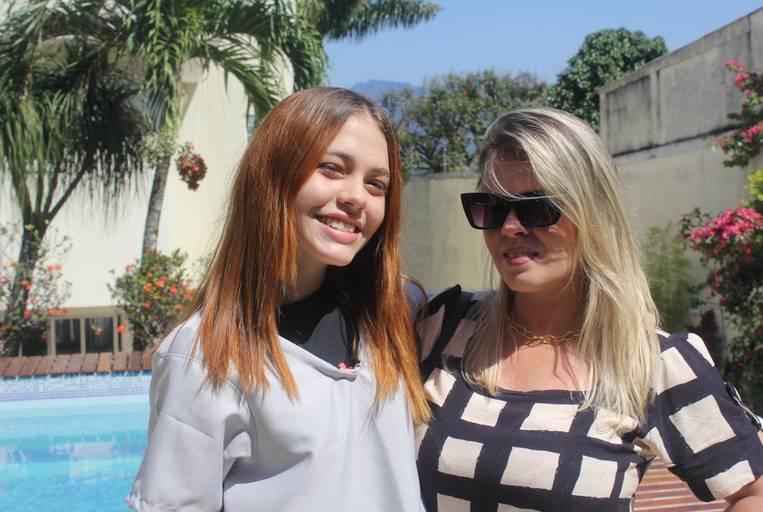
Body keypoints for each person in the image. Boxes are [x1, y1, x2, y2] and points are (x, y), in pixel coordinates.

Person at [415, 107, 763, 511]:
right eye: (491, 208)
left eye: (538, 207)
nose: (510, 227)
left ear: (593, 214)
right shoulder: (445, 325)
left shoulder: (650, 363)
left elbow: (754, 490)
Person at [127, 87, 429, 512]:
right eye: (331, 168)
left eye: (376, 184)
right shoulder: (207, 354)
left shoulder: (389, 320)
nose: (356, 196)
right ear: (274, 173)